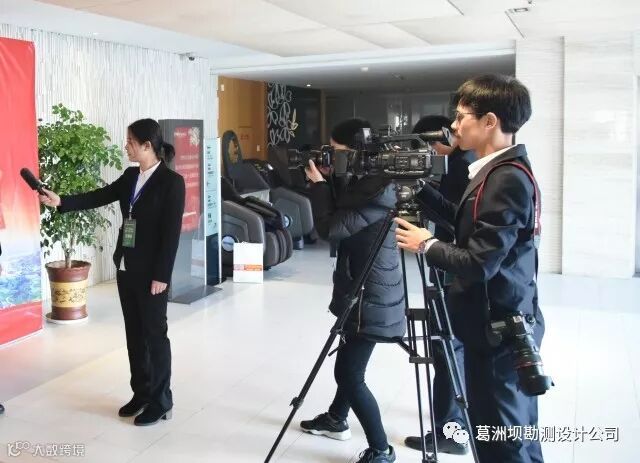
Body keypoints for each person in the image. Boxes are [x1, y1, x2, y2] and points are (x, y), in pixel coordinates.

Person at [395, 75, 545, 463]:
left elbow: (479, 263)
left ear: (489, 121)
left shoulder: (505, 179)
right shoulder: (498, 171)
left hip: (497, 328)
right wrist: (420, 189)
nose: (455, 125)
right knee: (515, 436)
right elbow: (467, 227)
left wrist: (426, 244)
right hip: (502, 320)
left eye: (462, 116)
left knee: (502, 443)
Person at [39, 119, 185, 427]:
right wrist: (61, 201)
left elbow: (171, 234)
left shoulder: (172, 182)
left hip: (152, 275)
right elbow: (99, 196)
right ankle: (141, 393)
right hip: (126, 268)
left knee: (155, 336)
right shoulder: (131, 176)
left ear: (147, 145)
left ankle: (161, 401)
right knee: (134, 335)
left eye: (130, 141)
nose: (126, 146)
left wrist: (162, 276)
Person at [299, 118, 404, 463]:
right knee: (349, 360)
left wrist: (318, 186)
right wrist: (328, 179)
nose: (332, 157)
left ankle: (381, 450)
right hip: (362, 287)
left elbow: (331, 228)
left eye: (337, 151)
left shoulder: (376, 191)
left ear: (356, 152)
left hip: (369, 294)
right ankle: (336, 418)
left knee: (348, 373)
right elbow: (344, 208)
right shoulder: (366, 180)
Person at [405, 115, 476, 455]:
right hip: (450, 262)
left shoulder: (463, 165)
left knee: (446, 347)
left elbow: (455, 218)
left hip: (450, 265)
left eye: (429, 146)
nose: (429, 153)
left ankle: (450, 429)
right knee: (450, 347)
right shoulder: (465, 161)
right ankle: (453, 419)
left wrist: (421, 190)